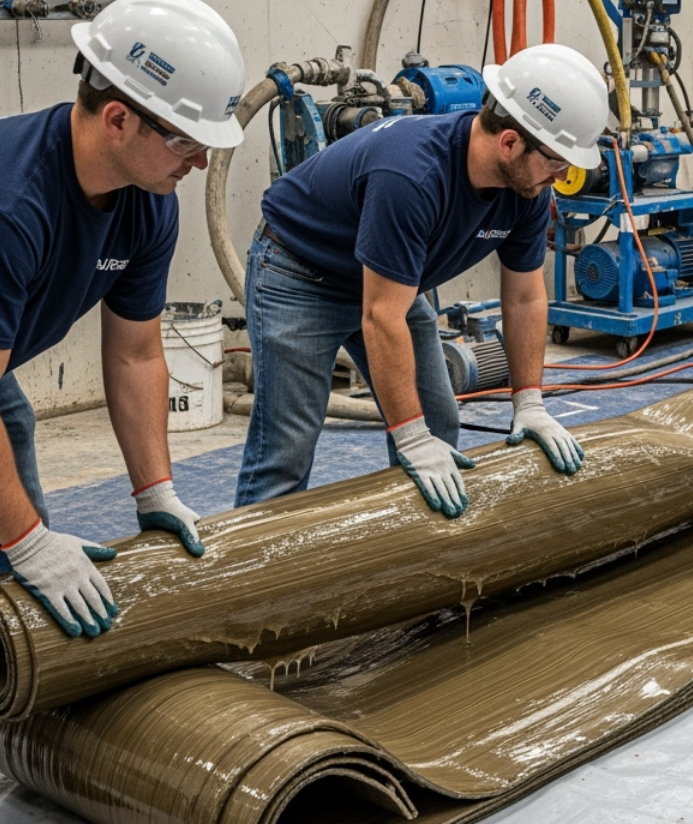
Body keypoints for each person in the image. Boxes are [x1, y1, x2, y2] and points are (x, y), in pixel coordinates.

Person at [0, 0, 245, 824]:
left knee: (10, 514)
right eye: (187, 138)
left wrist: (156, 493)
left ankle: (18, 694)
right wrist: (31, 540)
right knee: (17, 528)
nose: (202, 157)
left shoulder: (146, 201)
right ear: (118, 117)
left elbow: (138, 349)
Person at [234, 43, 607, 517]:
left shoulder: (528, 189)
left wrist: (529, 402)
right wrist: (406, 434)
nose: (562, 176)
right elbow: (381, 315)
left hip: (386, 282)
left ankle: (416, 552)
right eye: (557, 162)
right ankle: (248, 578)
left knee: (436, 420)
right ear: (510, 142)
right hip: (301, 274)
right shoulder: (412, 174)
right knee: (285, 454)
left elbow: (525, 297)